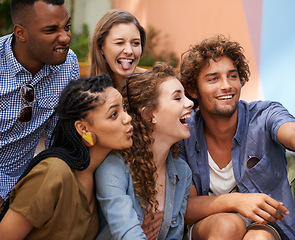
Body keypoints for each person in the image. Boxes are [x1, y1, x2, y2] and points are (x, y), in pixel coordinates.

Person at [179, 35, 295, 240]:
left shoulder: (264, 115)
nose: (226, 86)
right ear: (192, 90)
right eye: (213, 78)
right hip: (209, 225)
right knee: (228, 224)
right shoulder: (184, 132)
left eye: (232, 76)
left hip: (265, 224)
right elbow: (183, 207)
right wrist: (235, 201)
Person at [0, 74, 133, 239]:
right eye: (114, 114)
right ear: (83, 129)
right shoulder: (53, 172)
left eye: (124, 108)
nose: (127, 118)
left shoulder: (101, 174)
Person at [95, 62, 194, 240]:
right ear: (149, 115)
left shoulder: (182, 173)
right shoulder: (114, 168)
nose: (191, 103)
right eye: (178, 98)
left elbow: (174, 236)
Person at [0, 0, 80, 207]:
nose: (65, 37)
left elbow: (59, 137)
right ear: (21, 33)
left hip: (27, 187)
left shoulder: (68, 64)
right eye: (51, 30)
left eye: (67, 27)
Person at [90, 9, 147, 92]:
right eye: (120, 43)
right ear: (101, 46)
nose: (129, 51)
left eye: (135, 43)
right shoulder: (88, 94)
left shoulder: (156, 85)